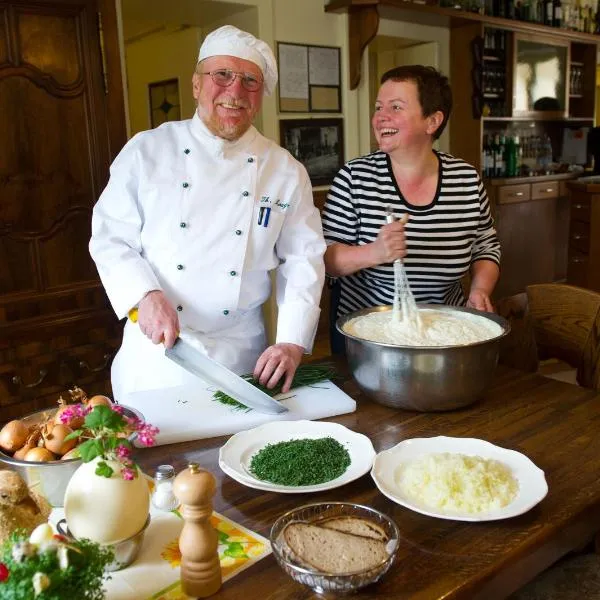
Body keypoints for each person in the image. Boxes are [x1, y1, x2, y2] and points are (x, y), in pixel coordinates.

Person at [90, 25, 325, 401]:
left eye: (250, 80)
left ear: (260, 96)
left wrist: (292, 342)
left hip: (242, 355)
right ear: (197, 84)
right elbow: (110, 237)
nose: (235, 91)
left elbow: (304, 259)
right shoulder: (147, 151)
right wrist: (145, 295)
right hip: (156, 355)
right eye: (222, 75)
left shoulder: (284, 170)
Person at [322, 65, 500, 352]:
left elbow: (485, 246)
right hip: (370, 335)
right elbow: (325, 259)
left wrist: (480, 288)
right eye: (379, 107)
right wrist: (376, 252)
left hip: (445, 333)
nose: (381, 117)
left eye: (396, 107)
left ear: (432, 121)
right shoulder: (355, 179)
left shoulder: (465, 179)